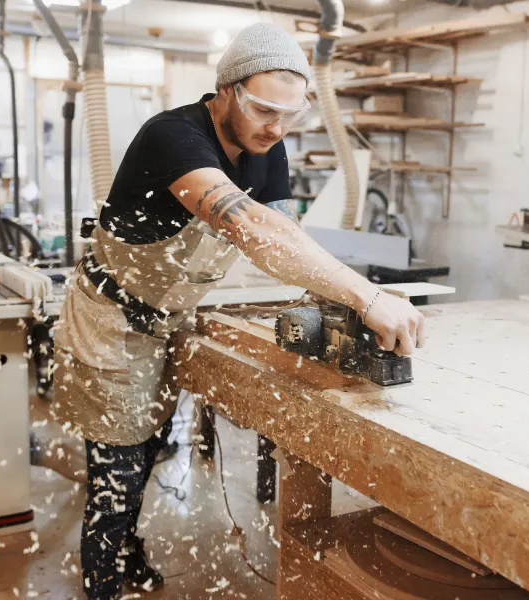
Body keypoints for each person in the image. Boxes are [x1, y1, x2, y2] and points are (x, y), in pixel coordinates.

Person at [52, 22, 425, 600]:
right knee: (115, 473)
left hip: (170, 319)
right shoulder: (173, 137)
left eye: (289, 116)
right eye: (263, 111)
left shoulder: (264, 146)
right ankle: (101, 582)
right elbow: (250, 227)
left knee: (149, 449)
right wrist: (368, 297)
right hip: (111, 320)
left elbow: (283, 234)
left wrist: (336, 301)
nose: (276, 130)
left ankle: (128, 551)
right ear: (225, 90)